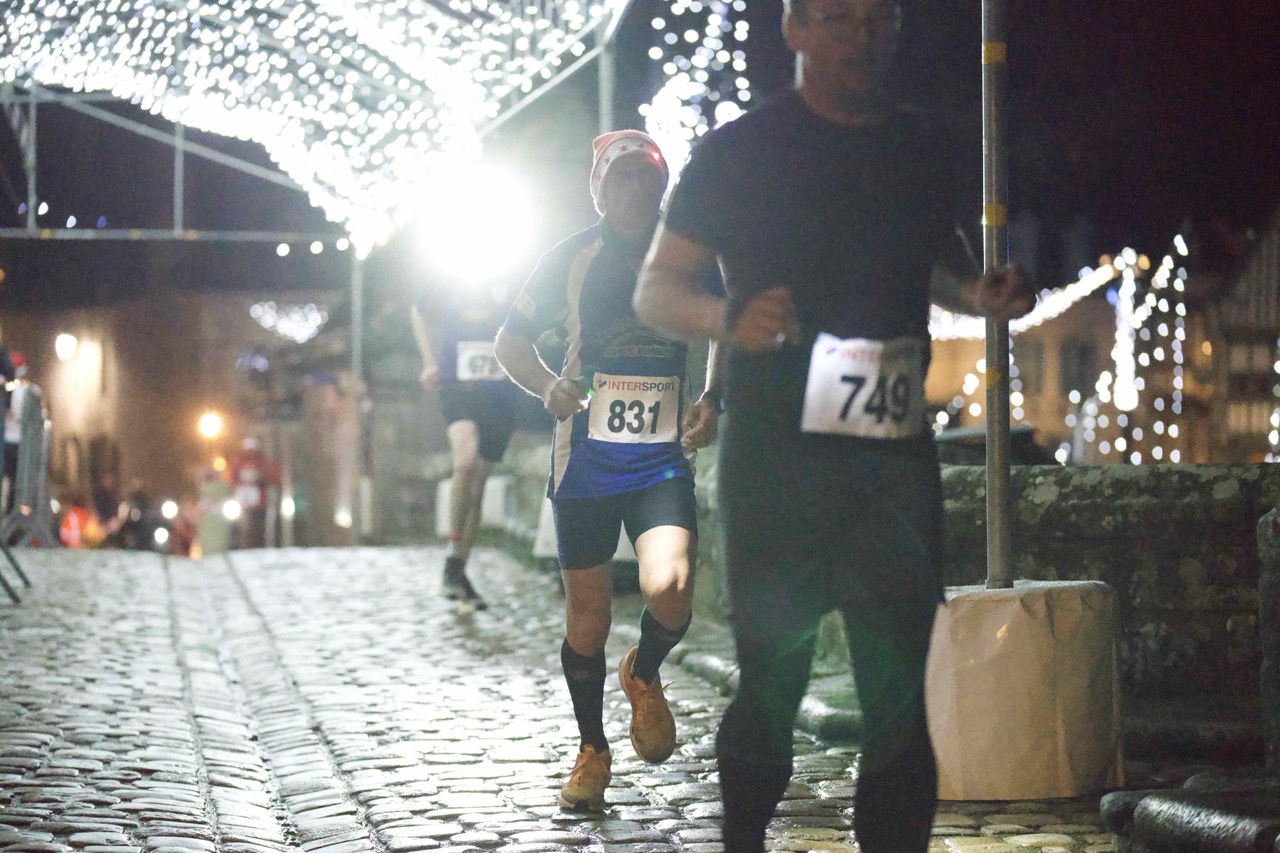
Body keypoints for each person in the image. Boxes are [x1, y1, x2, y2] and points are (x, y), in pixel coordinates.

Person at [633, 1, 1037, 850]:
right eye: (839, 19)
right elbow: (656, 289)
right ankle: (743, 838)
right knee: (771, 685)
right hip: (778, 464)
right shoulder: (739, 152)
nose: (861, 37)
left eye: (878, 20)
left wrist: (980, 294)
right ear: (796, 29)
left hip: (893, 464)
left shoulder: (921, 146)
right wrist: (729, 317)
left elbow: (937, 261)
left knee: (899, 702)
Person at [494, 130, 723, 812]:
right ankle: (592, 750)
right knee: (588, 617)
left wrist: (713, 398)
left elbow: (722, 326)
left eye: (648, 179)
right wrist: (547, 386)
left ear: (663, 188)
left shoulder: (687, 257)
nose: (635, 191)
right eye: (621, 179)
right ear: (598, 189)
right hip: (586, 459)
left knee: (671, 587)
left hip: (660, 458)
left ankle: (643, 672)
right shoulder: (568, 259)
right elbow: (510, 341)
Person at [412, 275, 518, 610]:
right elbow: (418, 310)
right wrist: (429, 361)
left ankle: (456, 568)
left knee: (478, 486)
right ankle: (453, 557)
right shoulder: (453, 275)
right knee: (465, 462)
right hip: (457, 384)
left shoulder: (513, 274)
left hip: (499, 393)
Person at [229, 437, 281, 549]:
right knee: (239, 526)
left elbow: (275, 477)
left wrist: (262, 478)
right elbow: (231, 478)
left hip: (259, 503)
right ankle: (238, 546)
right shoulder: (238, 463)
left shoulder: (264, 463)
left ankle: (258, 547)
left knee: (258, 528)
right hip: (242, 502)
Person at [3, 351, 30, 513]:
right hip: (13, 440)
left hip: (13, 440)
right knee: (12, 478)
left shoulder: (18, 389)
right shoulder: (24, 390)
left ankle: (10, 508)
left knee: (12, 478)